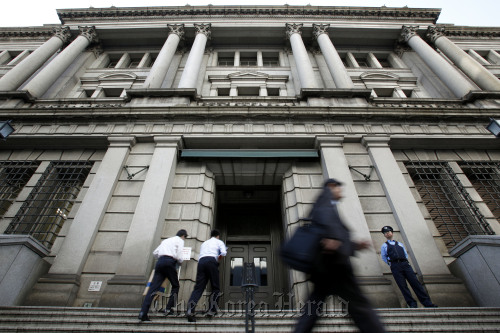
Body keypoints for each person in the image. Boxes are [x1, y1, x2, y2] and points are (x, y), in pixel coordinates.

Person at [294, 179, 386, 333]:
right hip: (336, 266)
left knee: (313, 308)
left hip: (326, 268)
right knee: (359, 307)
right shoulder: (325, 206)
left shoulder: (323, 205)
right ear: (331, 187)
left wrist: (354, 245)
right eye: (339, 189)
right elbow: (330, 232)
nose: (340, 192)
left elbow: (330, 234)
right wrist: (336, 242)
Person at [380, 226, 438, 308]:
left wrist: (405, 262)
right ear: (384, 235)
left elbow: (405, 254)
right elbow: (384, 257)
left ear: (392, 232)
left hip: (405, 264)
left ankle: (427, 302)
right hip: (395, 265)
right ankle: (412, 304)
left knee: (415, 283)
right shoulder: (384, 246)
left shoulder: (400, 244)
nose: (387, 233)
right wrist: (391, 264)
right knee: (403, 286)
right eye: (385, 233)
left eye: (389, 231)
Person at [138, 229, 188, 322]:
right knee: (175, 285)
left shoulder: (166, 240)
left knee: (153, 288)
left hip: (160, 262)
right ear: (183, 236)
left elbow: (155, 253)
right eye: (185, 237)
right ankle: (168, 308)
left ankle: (143, 312)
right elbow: (179, 255)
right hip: (169, 262)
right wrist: (179, 261)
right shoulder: (180, 241)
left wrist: (162, 258)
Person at [186, 229, 227, 322]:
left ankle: (190, 309)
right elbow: (223, 253)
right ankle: (212, 310)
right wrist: (217, 259)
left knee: (198, 288)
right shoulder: (219, 242)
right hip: (212, 261)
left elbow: (201, 254)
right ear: (218, 236)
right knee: (215, 287)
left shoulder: (204, 243)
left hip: (201, 262)